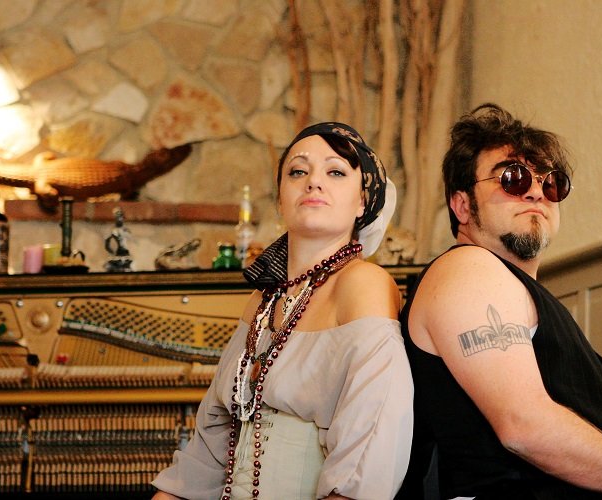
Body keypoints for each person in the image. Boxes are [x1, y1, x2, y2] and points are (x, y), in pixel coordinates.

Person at [398, 103, 602, 499]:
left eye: (552, 183)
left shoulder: (512, 286)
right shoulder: (469, 268)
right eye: (513, 177)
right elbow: (525, 426)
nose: (536, 191)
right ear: (462, 205)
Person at [152, 122, 412, 499]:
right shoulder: (263, 300)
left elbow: (370, 452)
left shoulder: (364, 284)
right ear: (279, 199)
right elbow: (205, 456)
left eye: (336, 172)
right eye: (298, 171)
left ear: (362, 202)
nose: (313, 182)